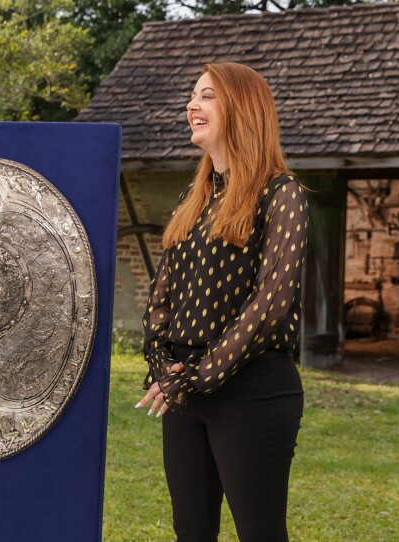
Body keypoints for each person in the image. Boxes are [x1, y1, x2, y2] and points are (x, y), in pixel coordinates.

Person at [136, 62, 307, 541]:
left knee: (260, 533)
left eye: (206, 95)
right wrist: (163, 361)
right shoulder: (195, 198)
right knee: (190, 531)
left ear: (242, 108)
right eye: (193, 96)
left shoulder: (282, 194)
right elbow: (161, 295)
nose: (192, 105)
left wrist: (199, 375)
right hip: (184, 388)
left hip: (253, 389)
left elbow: (271, 302)